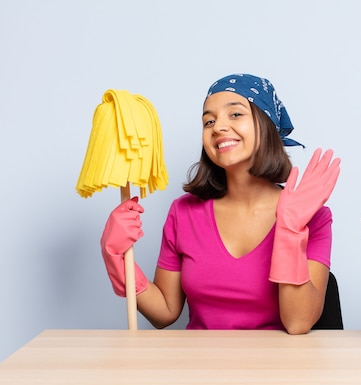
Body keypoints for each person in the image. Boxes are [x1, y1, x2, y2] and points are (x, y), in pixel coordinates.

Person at [100, 74, 341, 334]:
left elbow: (298, 323)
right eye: (209, 121)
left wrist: (291, 229)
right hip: (201, 369)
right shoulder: (184, 213)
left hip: (278, 371)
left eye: (235, 114)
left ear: (267, 123)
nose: (217, 127)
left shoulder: (313, 217)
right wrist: (115, 257)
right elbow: (165, 313)